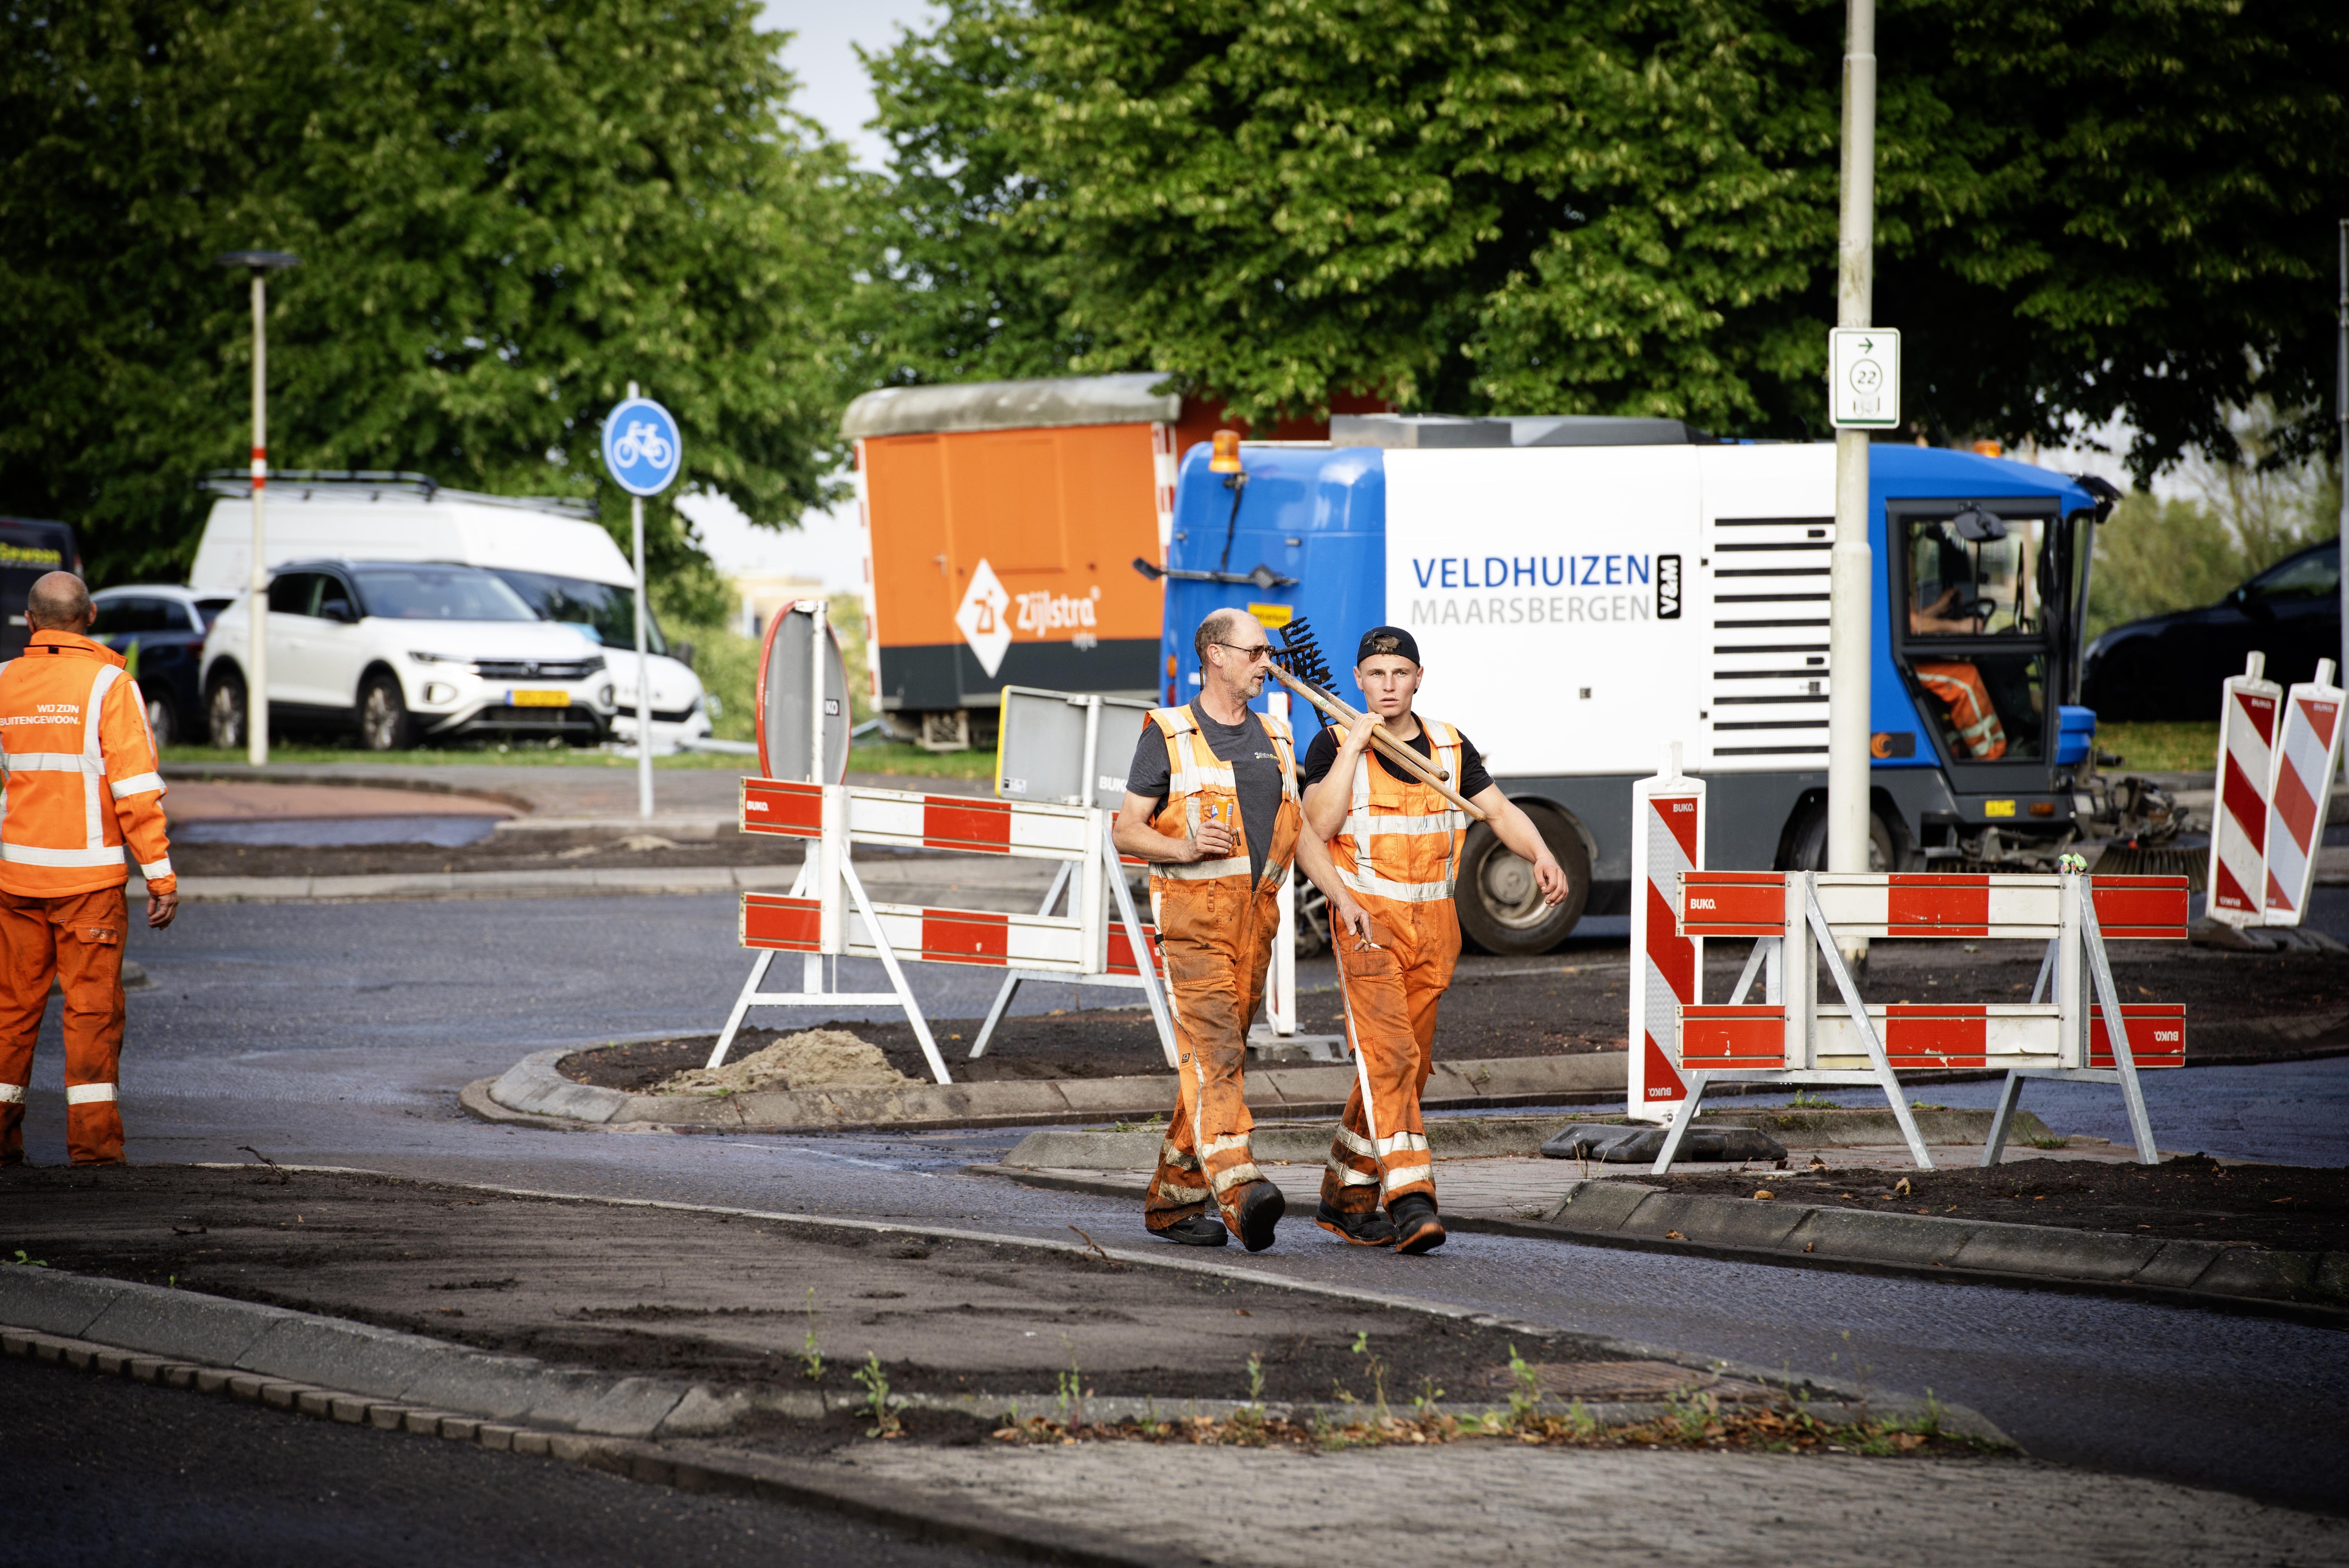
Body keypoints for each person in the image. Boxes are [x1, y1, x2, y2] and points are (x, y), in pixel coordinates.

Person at [1298, 626, 1567, 1254]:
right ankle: (1412, 1199)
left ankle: (1345, 1196)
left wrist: (1541, 852)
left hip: (1435, 932)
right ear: (1359, 680)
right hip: (1367, 926)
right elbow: (1319, 823)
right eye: (1375, 675)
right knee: (1389, 1059)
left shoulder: (1449, 744)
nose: (1388, 686)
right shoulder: (1332, 742)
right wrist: (1352, 749)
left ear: (1419, 678)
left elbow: (1497, 812)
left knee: (1404, 1071)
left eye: (1399, 674)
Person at [1114, 608, 1351, 1251]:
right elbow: (1127, 829)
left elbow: (1297, 832)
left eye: (1269, 652)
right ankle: (1239, 1186)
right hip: (1194, 925)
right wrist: (1185, 848)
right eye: (1255, 652)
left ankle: (1172, 1202)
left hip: (1256, 926)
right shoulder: (1167, 734)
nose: (1266, 663)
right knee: (1216, 1053)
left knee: (1214, 1060)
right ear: (1216, 655)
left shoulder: (1274, 735)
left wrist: (1341, 896)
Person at [0, 572, 178, 1167]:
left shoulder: (3, 682)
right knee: (92, 1017)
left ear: (30, 621)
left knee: (10, 1015)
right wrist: (160, 876)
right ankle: (96, 1155)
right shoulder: (111, 685)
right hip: (89, 888)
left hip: (15, 884)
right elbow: (135, 793)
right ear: (92, 615)